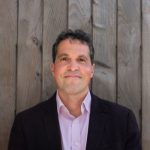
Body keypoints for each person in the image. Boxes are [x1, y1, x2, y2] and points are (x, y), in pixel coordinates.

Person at [8, 29, 142, 150]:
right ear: (53, 68)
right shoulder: (25, 124)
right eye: (64, 59)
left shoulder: (123, 121)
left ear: (92, 70)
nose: (73, 67)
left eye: (81, 59)